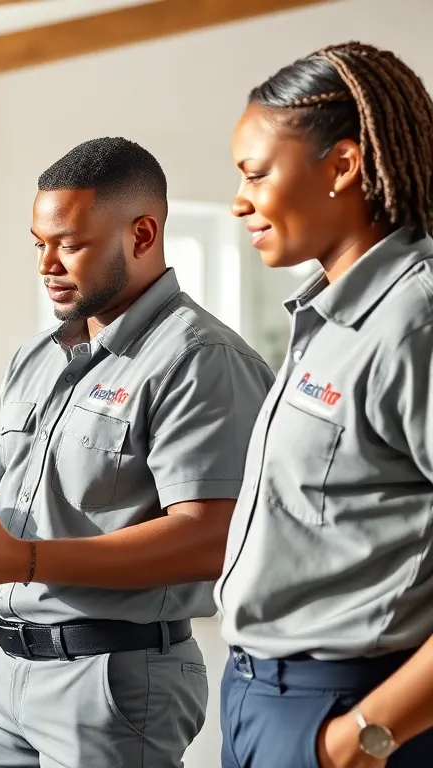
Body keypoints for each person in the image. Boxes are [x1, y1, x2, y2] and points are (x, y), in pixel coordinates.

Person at [0, 137, 276, 767]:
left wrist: (24, 559)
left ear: (142, 235)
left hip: (111, 679)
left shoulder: (199, 360)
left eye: (68, 244)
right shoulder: (35, 357)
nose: (46, 264)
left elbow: (212, 536)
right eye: (38, 244)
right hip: (3, 667)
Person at [215, 42, 433, 768]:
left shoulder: (416, 321)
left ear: (342, 166)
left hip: (356, 707)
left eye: (255, 174)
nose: (239, 200)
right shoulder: (331, 319)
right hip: (258, 697)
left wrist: (363, 738)